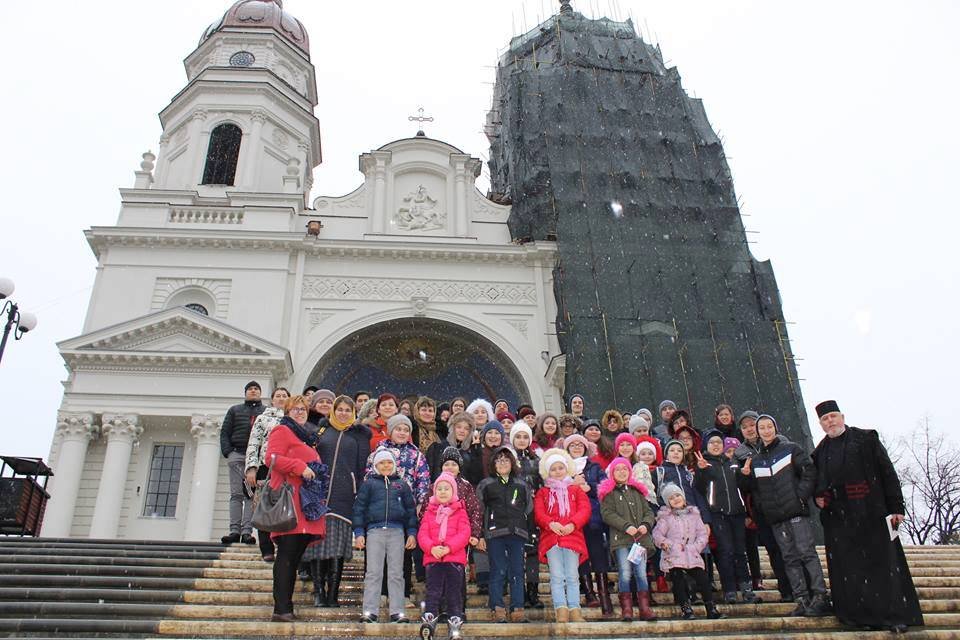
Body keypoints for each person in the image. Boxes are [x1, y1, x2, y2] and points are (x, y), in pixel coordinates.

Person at [811, 400, 924, 633]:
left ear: (842, 416)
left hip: (871, 512)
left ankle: (894, 616)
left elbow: (887, 473)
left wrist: (897, 507)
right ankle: (860, 616)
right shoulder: (820, 452)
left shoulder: (866, 439)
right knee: (850, 569)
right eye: (825, 419)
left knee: (882, 565)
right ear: (821, 424)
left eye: (833, 416)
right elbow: (818, 484)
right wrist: (818, 497)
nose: (830, 421)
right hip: (840, 519)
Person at [742, 414, 831, 617]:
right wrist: (745, 477)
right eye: (761, 428)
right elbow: (753, 490)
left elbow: (809, 471)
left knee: (806, 553)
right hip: (775, 517)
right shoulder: (756, 461)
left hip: (795, 511)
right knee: (789, 557)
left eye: (768, 426)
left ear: (775, 427)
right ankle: (801, 598)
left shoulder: (790, 449)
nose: (765, 430)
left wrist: (800, 496)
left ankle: (819, 596)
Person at [264, 394, 327, 622]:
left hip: (305, 502)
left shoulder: (306, 437)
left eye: (303, 409)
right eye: (295, 409)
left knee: (294, 555)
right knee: (287, 556)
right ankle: (282, 608)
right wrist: (299, 466)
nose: (300, 412)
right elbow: (270, 458)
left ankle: (285, 606)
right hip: (290, 500)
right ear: (287, 411)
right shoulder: (282, 430)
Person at [303, 395, 369, 607]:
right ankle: (318, 592)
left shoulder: (358, 436)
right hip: (318, 495)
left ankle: (333, 594)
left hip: (344, 497)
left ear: (353, 413)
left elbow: (361, 467)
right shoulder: (321, 431)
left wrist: (357, 490)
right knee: (316, 546)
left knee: (337, 548)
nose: (343, 413)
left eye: (347, 410)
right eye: (339, 409)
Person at [366, 414, 431, 600]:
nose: (402, 433)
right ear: (390, 431)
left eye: (406, 430)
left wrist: (419, 504)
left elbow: (423, 481)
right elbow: (369, 477)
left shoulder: (416, 455)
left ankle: (403, 593)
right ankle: (382, 593)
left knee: (404, 553)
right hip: (381, 509)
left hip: (405, 510)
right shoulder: (379, 452)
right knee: (381, 554)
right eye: (398, 429)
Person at [694, 430, 759, 604]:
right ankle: (729, 589)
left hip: (737, 513)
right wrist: (700, 472)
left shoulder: (732, 464)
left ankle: (746, 589)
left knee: (740, 551)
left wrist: (746, 475)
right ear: (706, 446)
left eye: (718, 442)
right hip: (718, 514)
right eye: (712, 442)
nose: (716, 445)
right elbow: (698, 490)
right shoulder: (704, 465)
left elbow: (743, 488)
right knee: (726, 551)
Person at [353, 449, 418, 623]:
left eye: (389, 462)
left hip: (397, 532)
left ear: (394, 464)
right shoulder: (369, 485)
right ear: (375, 465)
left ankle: (397, 611)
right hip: (374, 531)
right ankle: (369, 611)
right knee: (373, 572)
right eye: (382, 463)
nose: (386, 466)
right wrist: (359, 532)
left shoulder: (402, 485)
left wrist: (411, 533)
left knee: (396, 572)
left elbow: (411, 511)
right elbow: (359, 509)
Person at [733, 410, 791, 598]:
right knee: (774, 549)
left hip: (785, 502)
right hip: (761, 506)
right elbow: (741, 487)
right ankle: (787, 590)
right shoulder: (740, 454)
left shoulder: (779, 443)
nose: (750, 429)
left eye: (752, 425)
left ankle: (804, 589)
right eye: (745, 427)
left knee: (792, 549)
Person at [534, 448, 591, 624]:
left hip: (572, 537)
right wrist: (551, 523)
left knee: (572, 576)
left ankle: (575, 609)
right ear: (547, 471)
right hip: (552, 539)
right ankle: (561, 609)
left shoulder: (576, 490)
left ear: (566, 469)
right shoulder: (543, 492)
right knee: (557, 576)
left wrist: (572, 523)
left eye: (561, 468)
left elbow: (585, 509)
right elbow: (539, 513)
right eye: (554, 469)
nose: (558, 472)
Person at [653, 483, 724, 620]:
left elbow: (702, 534)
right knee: (678, 580)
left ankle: (711, 608)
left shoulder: (694, 515)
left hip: (691, 553)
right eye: (671, 498)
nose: (676, 499)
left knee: (703, 579)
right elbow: (657, 535)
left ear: (684, 497)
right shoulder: (665, 518)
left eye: (678, 495)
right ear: (668, 502)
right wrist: (667, 544)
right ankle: (686, 609)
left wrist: (696, 547)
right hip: (673, 554)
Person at [476, 446, 531, 623]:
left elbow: (529, 508)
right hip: (495, 533)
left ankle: (517, 607)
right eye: (498, 460)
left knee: (517, 570)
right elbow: (479, 511)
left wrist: (527, 531)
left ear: (512, 463)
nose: (502, 463)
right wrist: (481, 535)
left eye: (506, 460)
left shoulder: (522, 484)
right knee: (498, 570)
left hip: (517, 533)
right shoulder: (486, 484)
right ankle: (497, 607)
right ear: (493, 463)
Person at [599, 456, 656, 622]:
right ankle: (627, 608)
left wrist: (646, 524)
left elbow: (649, 512)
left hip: (639, 540)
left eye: (625, 469)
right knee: (625, 573)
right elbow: (607, 514)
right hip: (621, 540)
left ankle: (645, 608)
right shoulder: (609, 494)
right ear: (612, 473)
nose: (622, 472)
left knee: (641, 574)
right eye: (618, 469)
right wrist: (626, 526)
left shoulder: (637, 491)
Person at [560, 433, 610, 615]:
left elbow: (605, 486)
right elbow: (554, 488)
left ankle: (605, 598)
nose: (576, 447)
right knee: (580, 556)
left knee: (598, 555)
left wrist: (590, 486)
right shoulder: (562, 467)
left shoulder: (595, 467)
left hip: (593, 517)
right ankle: (589, 593)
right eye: (572, 445)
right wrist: (572, 484)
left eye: (579, 444)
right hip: (572, 519)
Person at [418, 472, 471, 640]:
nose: (442, 492)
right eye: (439, 489)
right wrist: (432, 548)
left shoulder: (460, 511)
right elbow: (423, 534)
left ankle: (455, 619)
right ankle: (430, 617)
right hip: (434, 559)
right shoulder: (429, 512)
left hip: (453, 559)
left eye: (446, 488)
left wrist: (449, 548)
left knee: (454, 591)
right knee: (433, 591)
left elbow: (464, 533)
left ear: (453, 491)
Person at [245, 387, 290, 561]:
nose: (281, 398)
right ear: (272, 400)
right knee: (263, 507)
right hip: (266, 466)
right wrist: (251, 467)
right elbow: (254, 443)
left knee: (284, 506)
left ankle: (284, 546)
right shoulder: (262, 418)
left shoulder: (291, 419)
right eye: (278, 396)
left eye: (284, 396)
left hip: (285, 467)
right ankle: (266, 548)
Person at [219, 380, 266, 545]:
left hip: (255, 459)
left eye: (256, 389)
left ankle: (247, 531)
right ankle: (234, 530)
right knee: (236, 494)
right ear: (245, 392)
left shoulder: (265, 412)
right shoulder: (235, 410)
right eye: (250, 389)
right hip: (237, 455)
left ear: (260, 393)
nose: (253, 391)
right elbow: (225, 432)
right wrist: (228, 452)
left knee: (250, 494)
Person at [510, 422, 544, 610]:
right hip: (514, 511)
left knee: (532, 552)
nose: (522, 440)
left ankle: (533, 591)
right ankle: (519, 591)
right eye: (518, 437)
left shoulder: (537, 460)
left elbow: (543, 483)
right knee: (515, 553)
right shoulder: (507, 459)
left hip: (532, 511)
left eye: (525, 437)